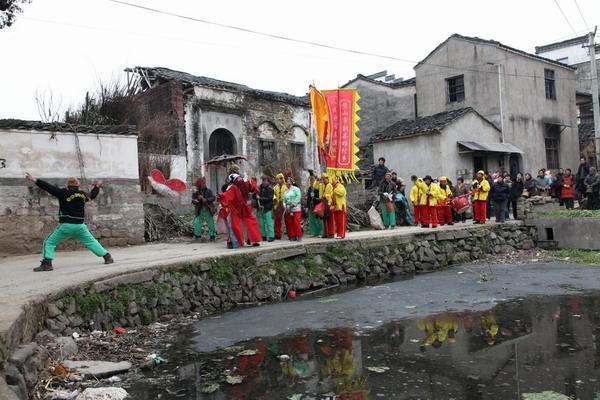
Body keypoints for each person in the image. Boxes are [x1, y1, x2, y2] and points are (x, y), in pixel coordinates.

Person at [25, 173, 113, 271]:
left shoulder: (63, 193)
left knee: (49, 242)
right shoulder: (83, 194)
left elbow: (48, 187)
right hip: (80, 226)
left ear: (67, 185)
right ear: (78, 186)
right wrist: (96, 187)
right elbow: (92, 195)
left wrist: (34, 179)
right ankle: (107, 257)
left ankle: (47, 264)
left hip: (66, 225)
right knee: (91, 242)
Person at [219, 174, 262, 248]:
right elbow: (253, 187)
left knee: (234, 225)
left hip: (239, 209)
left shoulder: (235, 187)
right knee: (242, 224)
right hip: (240, 209)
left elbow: (227, 196)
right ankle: (241, 241)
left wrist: (221, 197)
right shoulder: (242, 183)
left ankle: (238, 242)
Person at [283, 176, 303, 241]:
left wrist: (294, 204)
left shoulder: (296, 189)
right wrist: (285, 207)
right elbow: (284, 200)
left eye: (289, 181)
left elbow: (298, 197)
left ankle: (298, 235)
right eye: (287, 182)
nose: (288, 183)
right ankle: (292, 235)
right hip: (288, 208)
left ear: (291, 182)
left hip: (296, 208)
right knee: (289, 223)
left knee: (296, 222)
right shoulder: (285, 192)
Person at [255, 175, 275, 242]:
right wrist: (255, 195)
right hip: (260, 208)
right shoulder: (258, 189)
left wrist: (260, 198)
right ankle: (263, 236)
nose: (264, 181)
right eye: (263, 180)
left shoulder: (270, 189)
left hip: (267, 208)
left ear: (267, 181)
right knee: (261, 223)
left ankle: (271, 236)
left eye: (265, 180)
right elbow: (254, 197)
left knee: (269, 223)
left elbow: (269, 198)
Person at [306, 172, 324, 237]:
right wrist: (307, 206)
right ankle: (314, 232)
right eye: (310, 180)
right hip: (311, 205)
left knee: (319, 219)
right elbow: (308, 197)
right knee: (312, 219)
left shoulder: (318, 186)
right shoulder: (309, 188)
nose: (311, 181)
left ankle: (321, 232)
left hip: (317, 204)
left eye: (312, 179)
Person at [273, 173, 287, 240]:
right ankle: (277, 234)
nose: (278, 180)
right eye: (277, 179)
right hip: (277, 205)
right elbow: (273, 195)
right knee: (277, 220)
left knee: (285, 219)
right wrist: (274, 199)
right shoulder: (275, 187)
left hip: (284, 204)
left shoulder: (286, 187)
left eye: (279, 179)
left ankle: (288, 232)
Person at [320, 174, 335, 238]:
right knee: (324, 218)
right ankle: (326, 233)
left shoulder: (329, 185)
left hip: (329, 203)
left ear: (327, 179)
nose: (323, 180)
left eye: (324, 179)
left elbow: (331, 195)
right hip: (324, 203)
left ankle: (331, 233)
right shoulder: (323, 185)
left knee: (330, 218)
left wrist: (325, 196)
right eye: (322, 179)